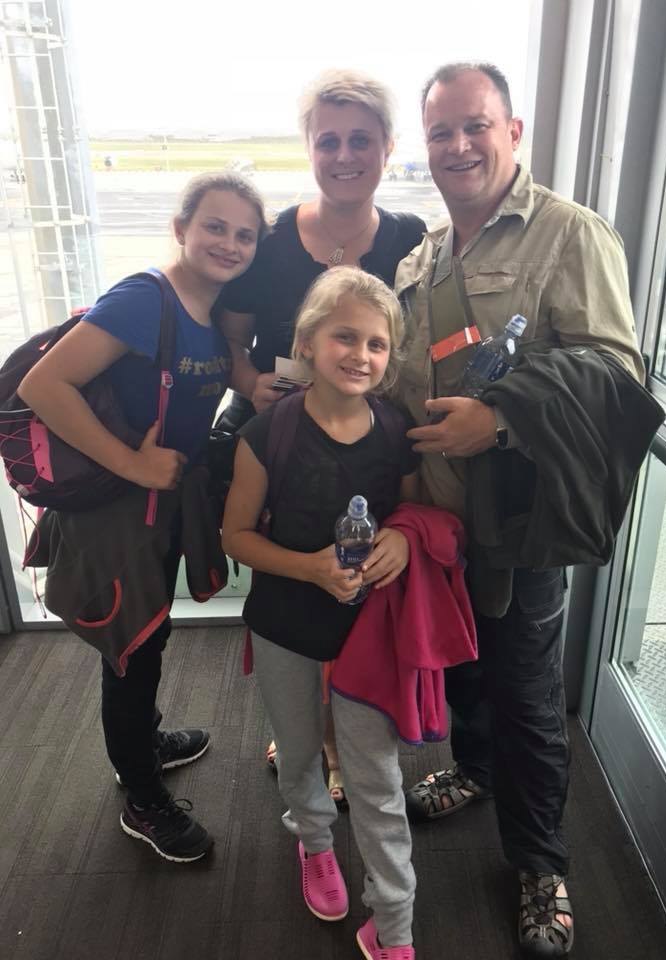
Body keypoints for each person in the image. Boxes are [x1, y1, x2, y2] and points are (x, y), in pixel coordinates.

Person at [393, 62, 645, 957]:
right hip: (441, 520)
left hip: (520, 522)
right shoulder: (420, 258)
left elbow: (618, 376)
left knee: (527, 689)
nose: (457, 145)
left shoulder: (568, 235)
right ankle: (473, 767)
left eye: (475, 125)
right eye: (440, 133)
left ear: (513, 129)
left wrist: (500, 418)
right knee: (465, 667)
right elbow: (400, 375)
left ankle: (541, 864)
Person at [17, 171, 269, 863]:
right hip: (116, 510)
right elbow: (45, 387)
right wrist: (132, 464)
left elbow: (216, 379)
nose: (228, 242)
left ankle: (143, 744)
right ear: (181, 229)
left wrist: (253, 383)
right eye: (214, 226)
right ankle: (141, 796)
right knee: (131, 649)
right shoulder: (143, 298)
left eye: (244, 234)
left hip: (157, 505)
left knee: (149, 640)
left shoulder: (210, 310)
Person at [219, 68, 426, 803]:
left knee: (359, 596)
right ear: (308, 146)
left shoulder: (409, 240)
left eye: (361, 140)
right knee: (295, 592)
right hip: (285, 444)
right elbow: (231, 343)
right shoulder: (272, 243)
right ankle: (303, 731)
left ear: (387, 148)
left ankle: (344, 738)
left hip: (369, 444)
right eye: (328, 140)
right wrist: (250, 387)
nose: (344, 155)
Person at [222, 266, 421, 960]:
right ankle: (313, 842)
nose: (361, 355)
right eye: (344, 336)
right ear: (307, 341)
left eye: (376, 344)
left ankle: (393, 924)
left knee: (377, 777)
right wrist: (308, 567)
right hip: (286, 622)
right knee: (300, 750)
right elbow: (236, 536)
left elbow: (409, 512)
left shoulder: (395, 431)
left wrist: (398, 535)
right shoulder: (266, 433)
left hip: (369, 633)